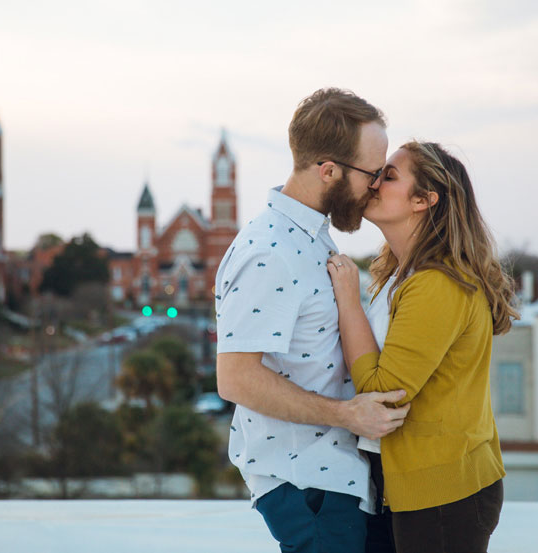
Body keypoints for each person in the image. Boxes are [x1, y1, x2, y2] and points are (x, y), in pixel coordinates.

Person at [215, 88, 409, 553]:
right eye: (373, 173)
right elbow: (235, 378)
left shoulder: (310, 237)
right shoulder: (270, 251)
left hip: (334, 479)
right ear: (328, 171)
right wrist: (347, 415)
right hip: (306, 484)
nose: (377, 186)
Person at [327, 141, 519, 553]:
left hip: (444, 494)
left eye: (389, 176)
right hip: (414, 487)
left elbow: (383, 393)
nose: (374, 183)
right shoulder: (402, 276)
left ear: (423, 200)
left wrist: (348, 301)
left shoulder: (437, 283)